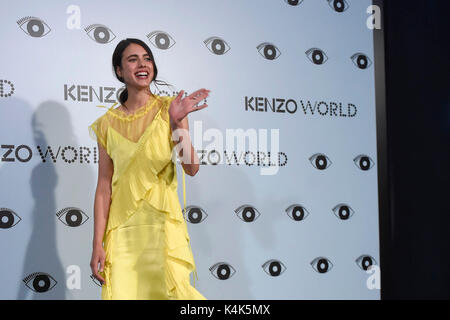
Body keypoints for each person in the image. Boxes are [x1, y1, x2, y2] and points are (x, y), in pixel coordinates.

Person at [88, 38, 209, 300]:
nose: (142, 64)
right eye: (133, 59)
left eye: (147, 58)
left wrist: (177, 123)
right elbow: (103, 187)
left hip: (161, 225)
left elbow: (191, 167)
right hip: (122, 232)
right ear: (119, 71)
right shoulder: (105, 124)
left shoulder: (171, 109)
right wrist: (97, 243)